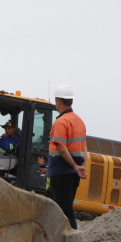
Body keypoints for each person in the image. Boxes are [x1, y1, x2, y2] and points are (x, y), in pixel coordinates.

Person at [45, 84, 87, 228]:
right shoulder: (79, 121)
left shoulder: (61, 122)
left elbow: (62, 148)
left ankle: (73, 238)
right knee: (48, 201)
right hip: (73, 174)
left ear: (58, 101)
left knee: (66, 211)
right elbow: (84, 147)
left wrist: (75, 166)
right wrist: (81, 166)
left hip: (61, 172)